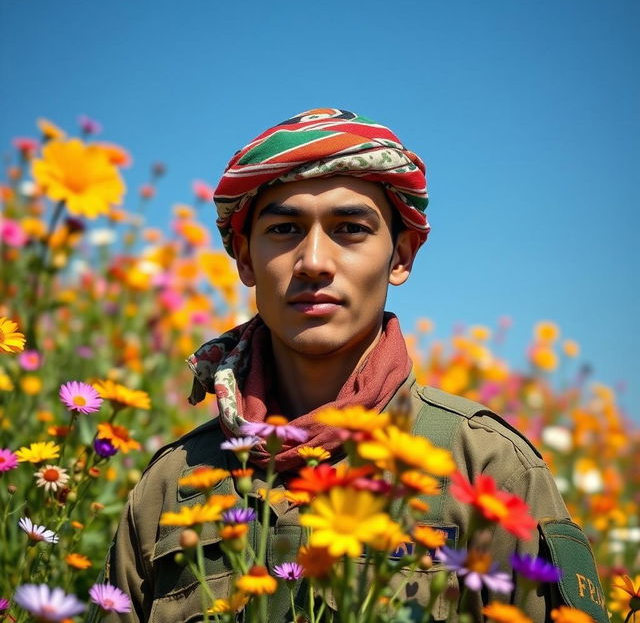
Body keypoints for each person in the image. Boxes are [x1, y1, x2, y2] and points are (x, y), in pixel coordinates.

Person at [90, 108, 607, 623]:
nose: (313, 260)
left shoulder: (488, 468)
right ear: (245, 259)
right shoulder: (174, 482)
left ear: (401, 256)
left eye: (350, 229)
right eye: (286, 228)